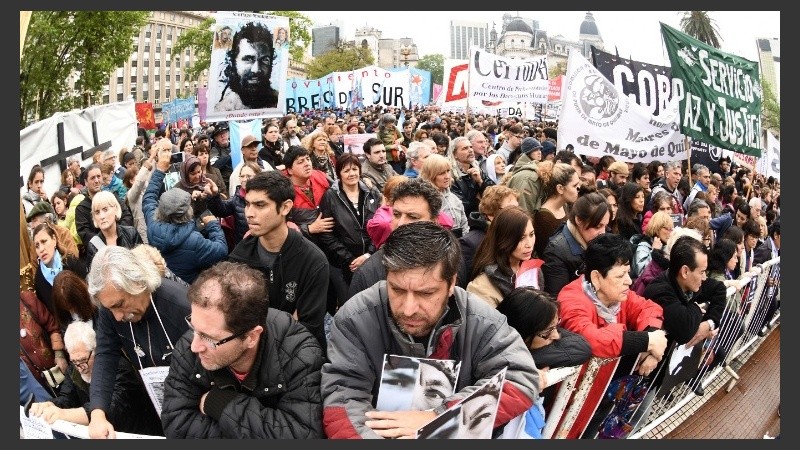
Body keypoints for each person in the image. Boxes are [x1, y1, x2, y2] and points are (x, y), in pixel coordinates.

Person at [320, 221, 541, 439]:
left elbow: (520, 379)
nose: (408, 309)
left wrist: (442, 417)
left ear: (452, 282)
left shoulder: (481, 320)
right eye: (396, 289)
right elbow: (343, 398)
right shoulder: (355, 318)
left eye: (425, 294)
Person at [160, 261, 324, 438]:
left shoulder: (300, 355)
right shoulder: (189, 348)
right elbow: (177, 427)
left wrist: (221, 404)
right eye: (193, 328)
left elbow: (303, 435)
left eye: (210, 338)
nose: (194, 346)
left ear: (251, 337)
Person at [85, 245, 191, 439]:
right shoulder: (111, 310)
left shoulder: (182, 305)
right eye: (110, 309)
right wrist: (98, 413)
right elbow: (106, 355)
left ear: (137, 282)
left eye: (120, 305)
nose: (116, 317)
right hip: (156, 401)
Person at [228, 171, 329, 350]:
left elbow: (307, 329)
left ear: (285, 207)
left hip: (300, 359)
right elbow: (236, 320)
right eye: (247, 204)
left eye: (260, 205)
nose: (249, 213)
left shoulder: (312, 261)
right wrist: (288, 320)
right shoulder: (240, 257)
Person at [28, 320, 164, 435]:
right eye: (74, 361)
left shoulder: (119, 367)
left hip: (137, 432)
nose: (80, 367)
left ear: (97, 350)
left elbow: (112, 407)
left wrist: (61, 415)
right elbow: (67, 398)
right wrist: (51, 404)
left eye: (82, 360)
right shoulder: (73, 369)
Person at [558, 233, 668, 374]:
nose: (629, 281)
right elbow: (590, 339)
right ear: (596, 278)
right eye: (620, 276)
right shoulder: (571, 301)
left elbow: (648, 308)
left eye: (628, 273)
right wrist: (645, 341)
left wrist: (653, 339)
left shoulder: (618, 294)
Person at [348, 178, 447, 298]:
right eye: (396, 214)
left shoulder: (449, 261)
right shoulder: (368, 273)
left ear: (434, 221)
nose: (400, 223)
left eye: (413, 216)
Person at [143, 145, 228, 285]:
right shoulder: (194, 240)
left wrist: (159, 171)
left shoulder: (153, 225)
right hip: (188, 290)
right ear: (188, 212)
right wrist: (213, 225)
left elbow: (149, 198)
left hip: (166, 286)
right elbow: (221, 250)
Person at [318, 153, 382, 314]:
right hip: (343, 265)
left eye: (355, 169)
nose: (352, 173)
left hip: (372, 258)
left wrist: (369, 254)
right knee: (352, 308)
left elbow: (381, 226)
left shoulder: (371, 193)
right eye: (346, 170)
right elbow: (327, 234)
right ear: (339, 173)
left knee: (374, 303)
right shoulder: (330, 197)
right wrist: (350, 259)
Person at [643, 236, 727, 348]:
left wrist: (708, 324)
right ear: (685, 272)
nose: (704, 278)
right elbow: (684, 331)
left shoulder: (692, 282)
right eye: (701, 272)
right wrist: (696, 308)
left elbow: (719, 289)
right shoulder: (659, 291)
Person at [467, 206, 543, 307]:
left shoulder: (532, 269)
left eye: (532, 234)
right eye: (521, 238)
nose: (529, 244)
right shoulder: (481, 286)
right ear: (504, 239)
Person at [541, 192, 610, 298]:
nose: (603, 232)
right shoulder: (556, 252)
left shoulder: (595, 239)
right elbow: (557, 300)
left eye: (605, 226)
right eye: (597, 226)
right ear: (578, 220)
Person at [215, 22, 279, 111]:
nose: (256, 69)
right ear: (233, 62)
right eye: (248, 59)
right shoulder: (221, 110)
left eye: (264, 60)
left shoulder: (278, 104)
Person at [460, 185, 519, 278]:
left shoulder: (517, 236)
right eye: (510, 210)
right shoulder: (470, 243)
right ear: (491, 213)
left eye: (517, 209)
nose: (517, 214)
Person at [32, 222, 87, 315]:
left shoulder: (71, 262)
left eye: (44, 241)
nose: (41, 249)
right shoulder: (39, 280)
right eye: (37, 246)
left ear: (54, 240)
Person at [20, 289, 67, 394]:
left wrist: (60, 355)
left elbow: (53, 327)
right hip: (32, 386)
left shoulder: (27, 299)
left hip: (56, 369)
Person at [84, 191, 143, 271]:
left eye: (105, 210)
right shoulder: (93, 245)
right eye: (97, 212)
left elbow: (143, 264)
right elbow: (92, 278)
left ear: (115, 209)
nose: (102, 216)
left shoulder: (131, 233)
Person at [533, 161, 580, 259]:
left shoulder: (565, 206)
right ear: (560, 188)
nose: (578, 188)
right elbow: (548, 254)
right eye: (574, 186)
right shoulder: (544, 218)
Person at [420, 154, 469, 237]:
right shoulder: (424, 202)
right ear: (431, 176)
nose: (447, 176)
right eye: (441, 173)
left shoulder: (454, 198)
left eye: (448, 171)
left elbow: (464, 225)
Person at [448, 136, 495, 217]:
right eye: (465, 148)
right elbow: (462, 205)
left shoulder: (477, 169)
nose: (470, 150)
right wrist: (479, 199)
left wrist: (480, 182)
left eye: (470, 147)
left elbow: (494, 193)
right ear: (454, 154)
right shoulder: (450, 175)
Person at [632, 211, 674, 279]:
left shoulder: (666, 245)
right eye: (667, 229)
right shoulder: (643, 247)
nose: (670, 233)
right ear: (657, 228)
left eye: (671, 229)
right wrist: (655, 252)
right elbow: (642, 273)